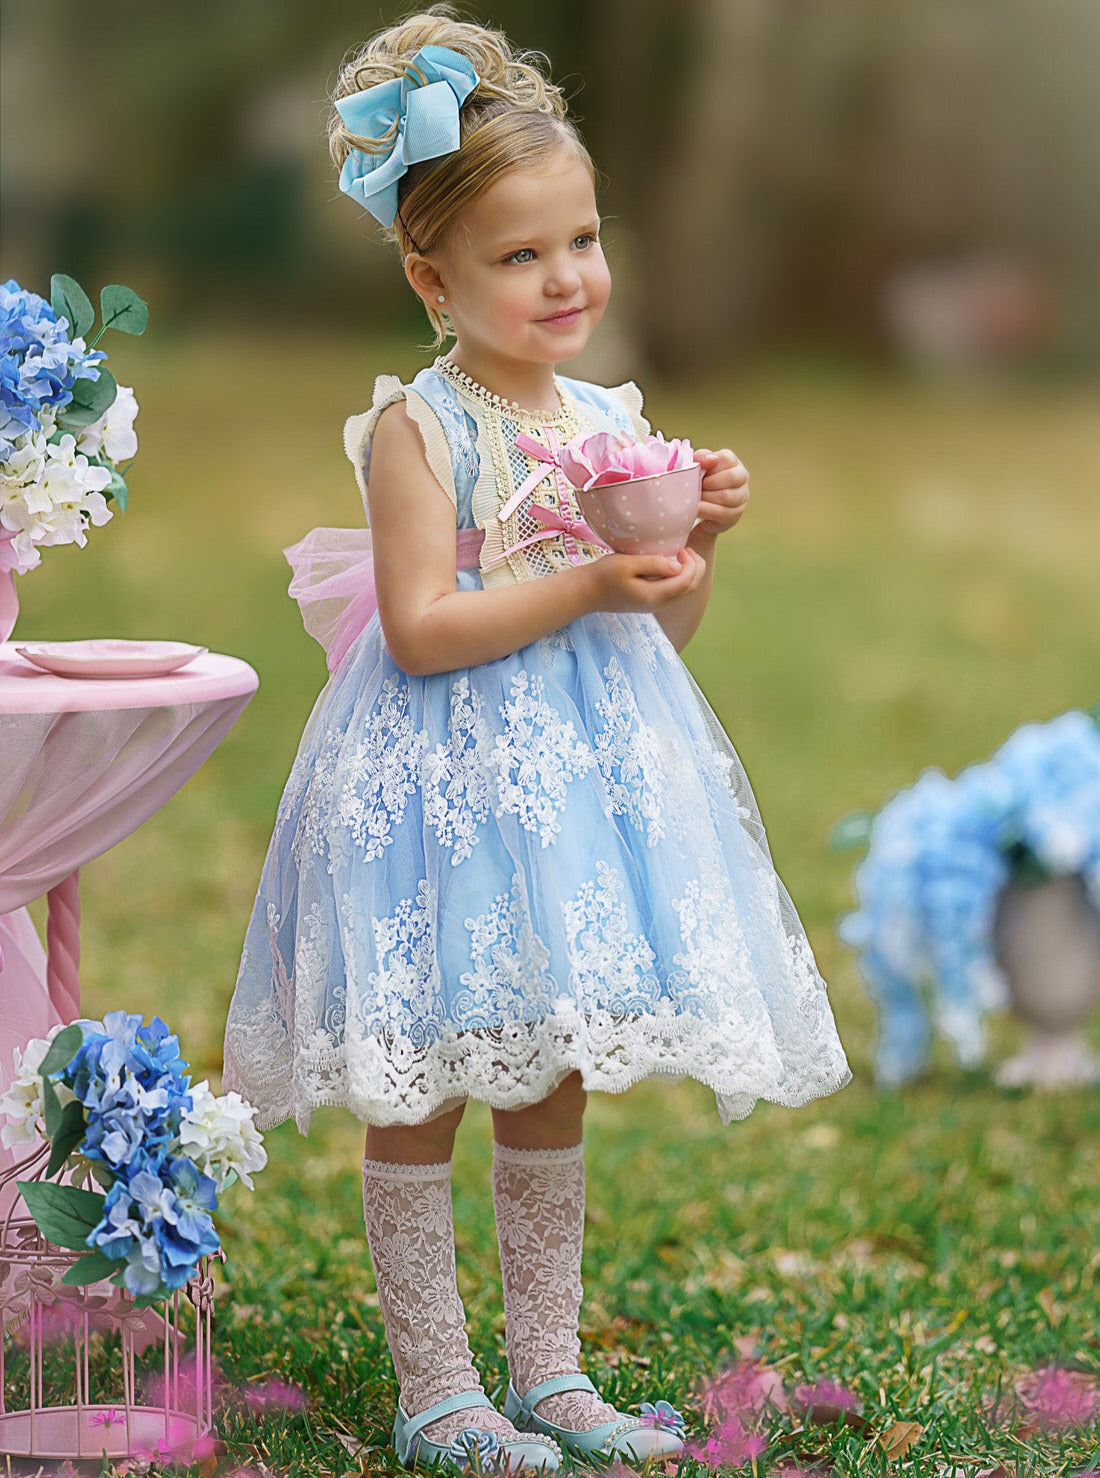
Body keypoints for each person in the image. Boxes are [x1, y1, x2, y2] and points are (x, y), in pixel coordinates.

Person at [223, 7, 852, 1473]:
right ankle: (438, 1383)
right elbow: (422, 625)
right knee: (431, 1070)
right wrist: (582, 573)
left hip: (568, 792)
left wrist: (689, 553)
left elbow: (655, 641)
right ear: (428, 273)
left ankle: (553, 1368)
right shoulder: (417, 431)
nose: (565, 275)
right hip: (437, 786)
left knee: (549, 1061)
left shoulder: (606, 416)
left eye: (581, 239)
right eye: (520, 254)